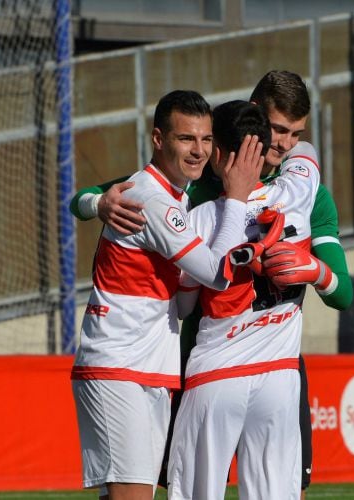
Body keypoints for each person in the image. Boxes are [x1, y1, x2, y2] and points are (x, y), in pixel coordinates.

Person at [71, 70, 353, 496]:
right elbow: (89, 197)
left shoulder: (308, 192)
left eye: (297, 134)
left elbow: (344, 294)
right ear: (255, 116)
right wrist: (99, 202)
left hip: (273, 364)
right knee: (143, 489)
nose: (285, 144)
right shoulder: (194, 183)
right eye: (278, 130)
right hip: (188, 362)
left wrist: (317, 272)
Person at [69, 89, 263, 500]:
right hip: (118, 365)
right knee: (134, 495)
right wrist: (238, 199)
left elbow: (186, 299)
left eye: (206, 139)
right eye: (186, 139)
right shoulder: (153, 199)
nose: (198, 151)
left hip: (148, 366)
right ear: (159, 139)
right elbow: (216, 273)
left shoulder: (174, 195)